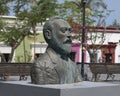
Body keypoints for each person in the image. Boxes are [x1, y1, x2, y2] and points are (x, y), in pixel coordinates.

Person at [30, 17, 82, 84]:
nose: (69, 35)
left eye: (69, 31)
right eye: (63, 30)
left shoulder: (73, 65)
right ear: (48, 35)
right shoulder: (41, 66)